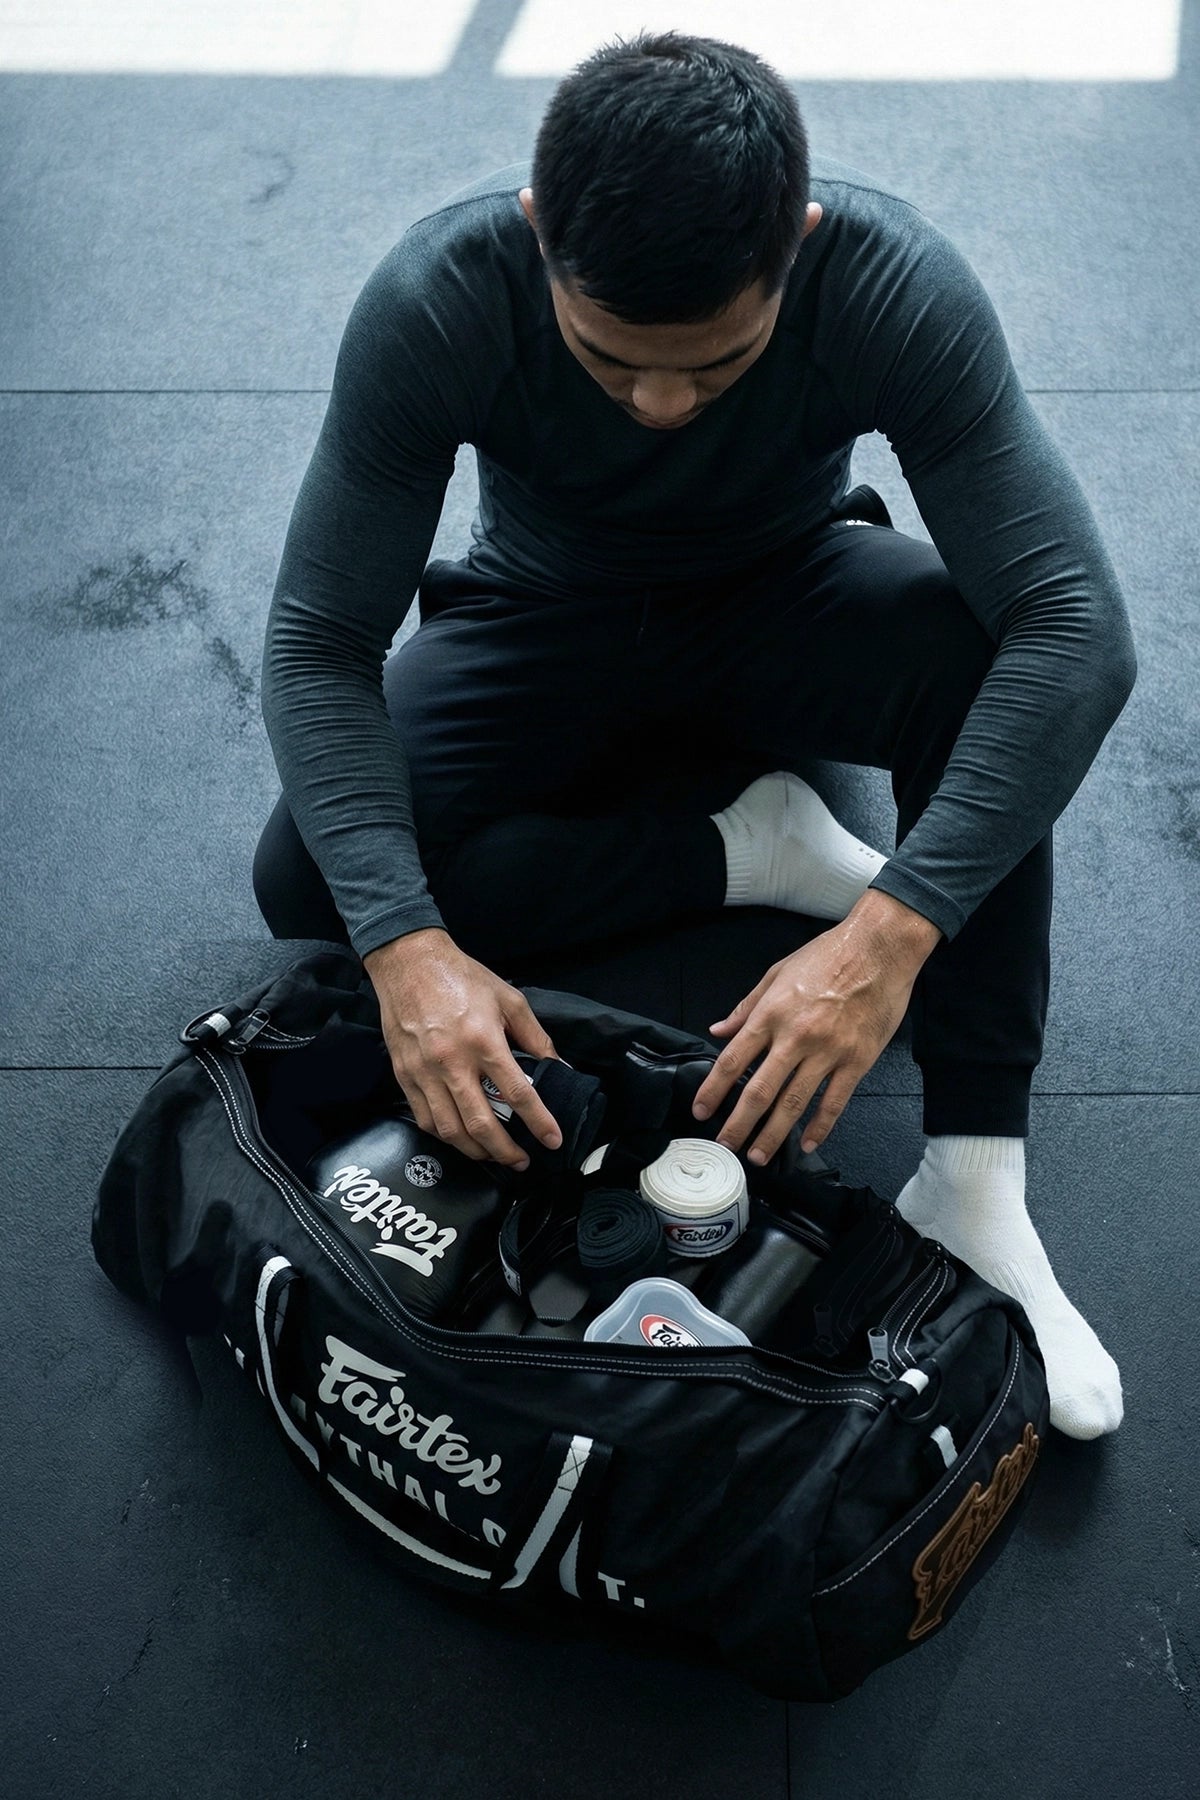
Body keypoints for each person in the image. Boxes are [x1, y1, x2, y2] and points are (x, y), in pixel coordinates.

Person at [253, 32, 1136, 1440]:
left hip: (792, 595)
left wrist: (891, 934)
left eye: (715, 367)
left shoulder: (893, 286)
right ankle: (746, 851)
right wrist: (407, 953)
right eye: (611, 360)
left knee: (990, 660)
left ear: (798, 245)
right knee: (319, 881)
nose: (662, 405)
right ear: (539, 234)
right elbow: (316, 643)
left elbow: (1078, 627)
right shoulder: (440, 299)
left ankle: (973, 1178)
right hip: (544, 614)